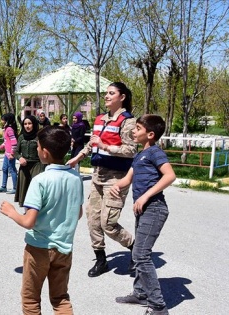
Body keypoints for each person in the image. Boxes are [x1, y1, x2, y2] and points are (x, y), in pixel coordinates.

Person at [0, 126, 84, 315]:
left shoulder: (40, 180)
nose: (37, 150)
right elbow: (78, 214)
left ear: (44, 152)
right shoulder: (75, 177)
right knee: (60, 298)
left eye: (38, 147)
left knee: (31, 298)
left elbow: (29, 222)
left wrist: (11, 212)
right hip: (64, 247)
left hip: (39, 247)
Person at [66, 82, 138, 277]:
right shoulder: (100, 119)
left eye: (111, 93)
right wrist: (77, 158)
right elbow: (92, 144)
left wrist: (105, 146)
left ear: (122, 97)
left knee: (109, 223)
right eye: (106, 93)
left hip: (116, 178)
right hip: (98, 176)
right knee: (93, 220)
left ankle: (135, 248)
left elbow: (130, 150)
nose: (106, 96)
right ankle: (101, 260)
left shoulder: (128, 122)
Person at [112, 115, 175, 315]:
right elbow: (128, 179)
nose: (133, 131)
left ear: (150, 134)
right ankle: (140, 293)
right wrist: (116, 185)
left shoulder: (155, 152)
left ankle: (158, 307)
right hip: (144, 210)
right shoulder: (140, 155)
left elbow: (170, 175)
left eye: (137, 128)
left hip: (154, 209)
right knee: (139, 252)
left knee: (140, 255)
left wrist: (145, 196)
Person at [14, 116, 45, 207]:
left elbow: (44, 151)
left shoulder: (39, 137)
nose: (27, 126)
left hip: (37, 165)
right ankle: (27, 212)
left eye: (29, 123)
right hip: (24, 167)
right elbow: (16, 152)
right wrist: (20, 158)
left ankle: (37, 210)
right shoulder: (21, 137)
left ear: (34, 124)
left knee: (36, 189)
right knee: (24, 189)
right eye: (25, 124)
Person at [0, 113, 18, 194]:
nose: (1, 121)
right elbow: (6, 142)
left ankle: (15, 188)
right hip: (6, 153)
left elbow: (14, 142)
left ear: (7, 120)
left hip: (10, 154)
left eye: (2, 119)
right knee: (4, 169)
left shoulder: (10, 129)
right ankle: (3, 187)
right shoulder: (6, 129)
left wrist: (12, 153)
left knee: (12, 170)